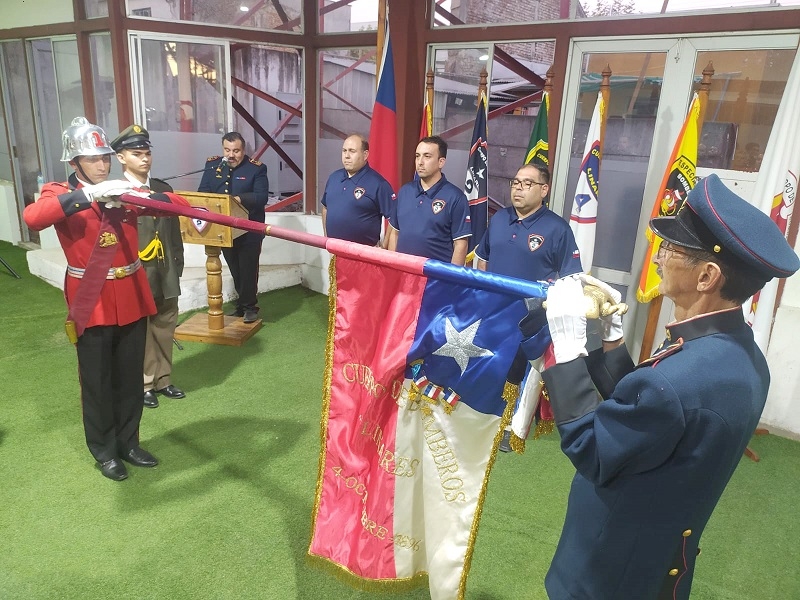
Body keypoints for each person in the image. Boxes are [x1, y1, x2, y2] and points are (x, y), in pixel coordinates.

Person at [530, 174, 799, 599]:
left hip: (608, 573)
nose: (658, 257)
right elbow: (654, 421)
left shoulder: (679, 379)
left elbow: (595, 450)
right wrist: (613, 339)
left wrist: (566, 349)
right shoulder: (740, 356)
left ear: (707, 276)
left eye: (672, 249)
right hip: (657, 562)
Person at [23, 117, 190, 481]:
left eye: (105, 157)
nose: (102, 164)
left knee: (130, 378)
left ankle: (129, 442)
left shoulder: (123, 188)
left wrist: (187, 208)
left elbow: (171, 202)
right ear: (74, 162)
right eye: (92, 158)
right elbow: (34, 218)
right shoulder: (59, 192)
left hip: (130, 294)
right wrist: (86, 196)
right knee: (97, 381)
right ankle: (104, 450)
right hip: (91, 300)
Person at [475, 163, 583, 451]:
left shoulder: (557, 229)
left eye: (526, 183)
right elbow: (482, 258)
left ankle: (513, 427)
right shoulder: (499, 220)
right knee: (489, 363)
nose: (518, 188)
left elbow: (571, 276)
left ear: (543, 190)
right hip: (493, 311)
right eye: (515, 182)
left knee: (522, 374)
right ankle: (484, 414)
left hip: (530, 318)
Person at [111, 124, 186, 409]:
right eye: (136, 154)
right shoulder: (116, 194)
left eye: (146, 153)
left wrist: (177, 265)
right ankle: (143, 383)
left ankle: (163, 379)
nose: (144, 159)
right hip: (136, 271)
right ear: (121, 158)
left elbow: (174, 233)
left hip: (165, 269)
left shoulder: (162, 190)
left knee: (165, 325)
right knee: (139, 331)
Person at [198, 132, 268, 324]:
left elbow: (262, 197)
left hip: (250, 230)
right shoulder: (213, 166)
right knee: (235, 269)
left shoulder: (256, 169)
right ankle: (241, 305)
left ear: (243, 150)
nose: (231, 155)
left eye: (236, 151)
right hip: (224, 230)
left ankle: (250, 307)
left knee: (248, 269)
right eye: (227, 150)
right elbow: (203, 192)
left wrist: (237, 200)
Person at [387, 136, 470, 265]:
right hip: (403, 274)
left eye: (427, 156)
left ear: (441, 162)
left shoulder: (456, 198)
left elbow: (461, 245)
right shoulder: (405, 191)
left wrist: (452, 282)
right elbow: (395, 233)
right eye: (417, 156)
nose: (420, 162)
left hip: (435, 279)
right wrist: (392, 266)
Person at [321, 134, 395, 247]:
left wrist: (384, 247)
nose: (347, 156)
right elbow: (326, 207)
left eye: (352, 151)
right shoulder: (333, 178)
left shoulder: (378, 184)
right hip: (335, 252)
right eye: (344, 151)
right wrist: (327, 240)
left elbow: (393, 218)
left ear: (365, 155)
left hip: (364, 256)